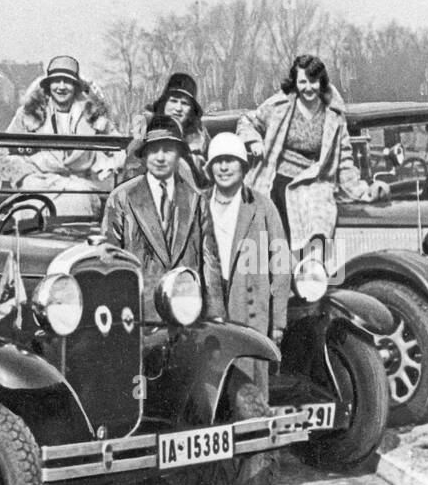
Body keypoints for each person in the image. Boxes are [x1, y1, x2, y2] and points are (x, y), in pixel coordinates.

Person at [237, 54, 387, 251]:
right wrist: (254, 141)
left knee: (315, 231)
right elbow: (246, 122)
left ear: (321, 81)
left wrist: (361, 190)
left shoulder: (333, 115)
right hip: (277, 181)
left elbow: (344, 160)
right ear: (294, 82)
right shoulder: (279, 106)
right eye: (302, 82)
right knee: (275, 242)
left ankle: (308, 276)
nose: (308, 88)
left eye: (313, 81)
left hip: (314, 182)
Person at [101, 114, 225, 322]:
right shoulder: (121, 198)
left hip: (185, 315)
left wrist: (216, 316)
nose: (160, 158)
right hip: (138, 317)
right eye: (154, 150)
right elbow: (109, 262)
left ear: (179, 155)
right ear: (144, 154)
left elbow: (210, 262)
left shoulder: (196, 200)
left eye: (168, 150)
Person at [205, 132, 291, 392]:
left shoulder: (262, 206)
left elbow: (281, 264)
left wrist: (277, 322)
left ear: (243, 166)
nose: (224, 167)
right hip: (210, 308)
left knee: (250, 383)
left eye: (230, 160)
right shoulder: (197, 203)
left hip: (251, 309)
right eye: (217, 161)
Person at [0, 55, 118, 217]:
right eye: (56, 81)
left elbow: (117, 149)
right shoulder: (29, 114)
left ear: (76, 85)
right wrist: (24, 175)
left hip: (80, 187)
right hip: (37, 184)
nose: (61, 87)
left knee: (77, 204)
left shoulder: (94, 116)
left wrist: (103, 171)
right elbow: (2, 151)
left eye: (67, 81)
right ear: (48, 84)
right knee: (28, 213)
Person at [123, 72, 210, 191]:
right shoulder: (146, 132)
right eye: (173, 101)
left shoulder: (200, 136)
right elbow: (131, 177)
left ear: (191, 110)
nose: (178, 108)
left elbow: (210, 178)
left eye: (184, 103)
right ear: (164, 103)